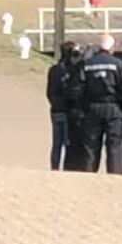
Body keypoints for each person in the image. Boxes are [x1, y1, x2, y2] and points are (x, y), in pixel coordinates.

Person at [81, 34, 122, 175]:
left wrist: (84, 107)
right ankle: (116, 176)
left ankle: (88, 175)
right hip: (114, 109)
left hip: (93, 108)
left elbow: (81, 88)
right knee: (115, 145)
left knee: (91, 145)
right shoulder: (117, 64)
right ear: (112, 47)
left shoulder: (88, 64)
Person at [46, 41, 76, 171]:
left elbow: (49, 92)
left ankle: (55, 167)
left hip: (56, 109)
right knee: (70, 142)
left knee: (57, 143)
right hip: (69, 110)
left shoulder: (53, 70)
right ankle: (68, 167)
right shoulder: (73, 69)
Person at [63, 43, 88, 171]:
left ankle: (77, 167)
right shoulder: (70, 69)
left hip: (77, 110)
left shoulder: (77, 69)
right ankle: (74, 167)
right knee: (74, 142)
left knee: (76, 142)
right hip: (75, 110)